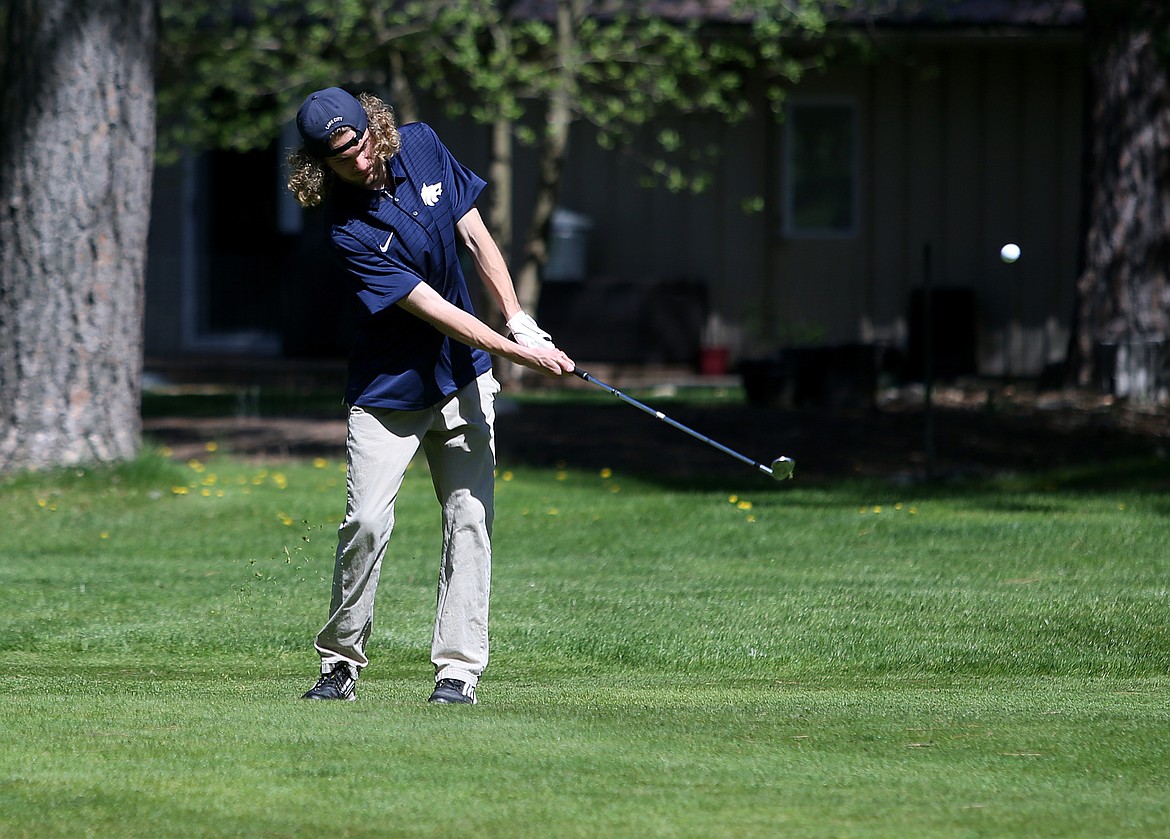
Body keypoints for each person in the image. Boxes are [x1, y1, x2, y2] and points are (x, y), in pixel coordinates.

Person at [286, 87, 574, 704]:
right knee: (364, 520)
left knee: (469, 516)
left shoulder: (422, 145)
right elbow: (434, 310)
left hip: (463, 377)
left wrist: (518, 317)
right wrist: (520, 354)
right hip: (390, 388)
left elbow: (475, 236)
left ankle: (458, 671)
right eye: (339, 158)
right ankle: (340, 661)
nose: (358, 163)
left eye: (359, 145)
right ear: (319, 164)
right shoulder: (346, 229)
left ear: (374, 127)